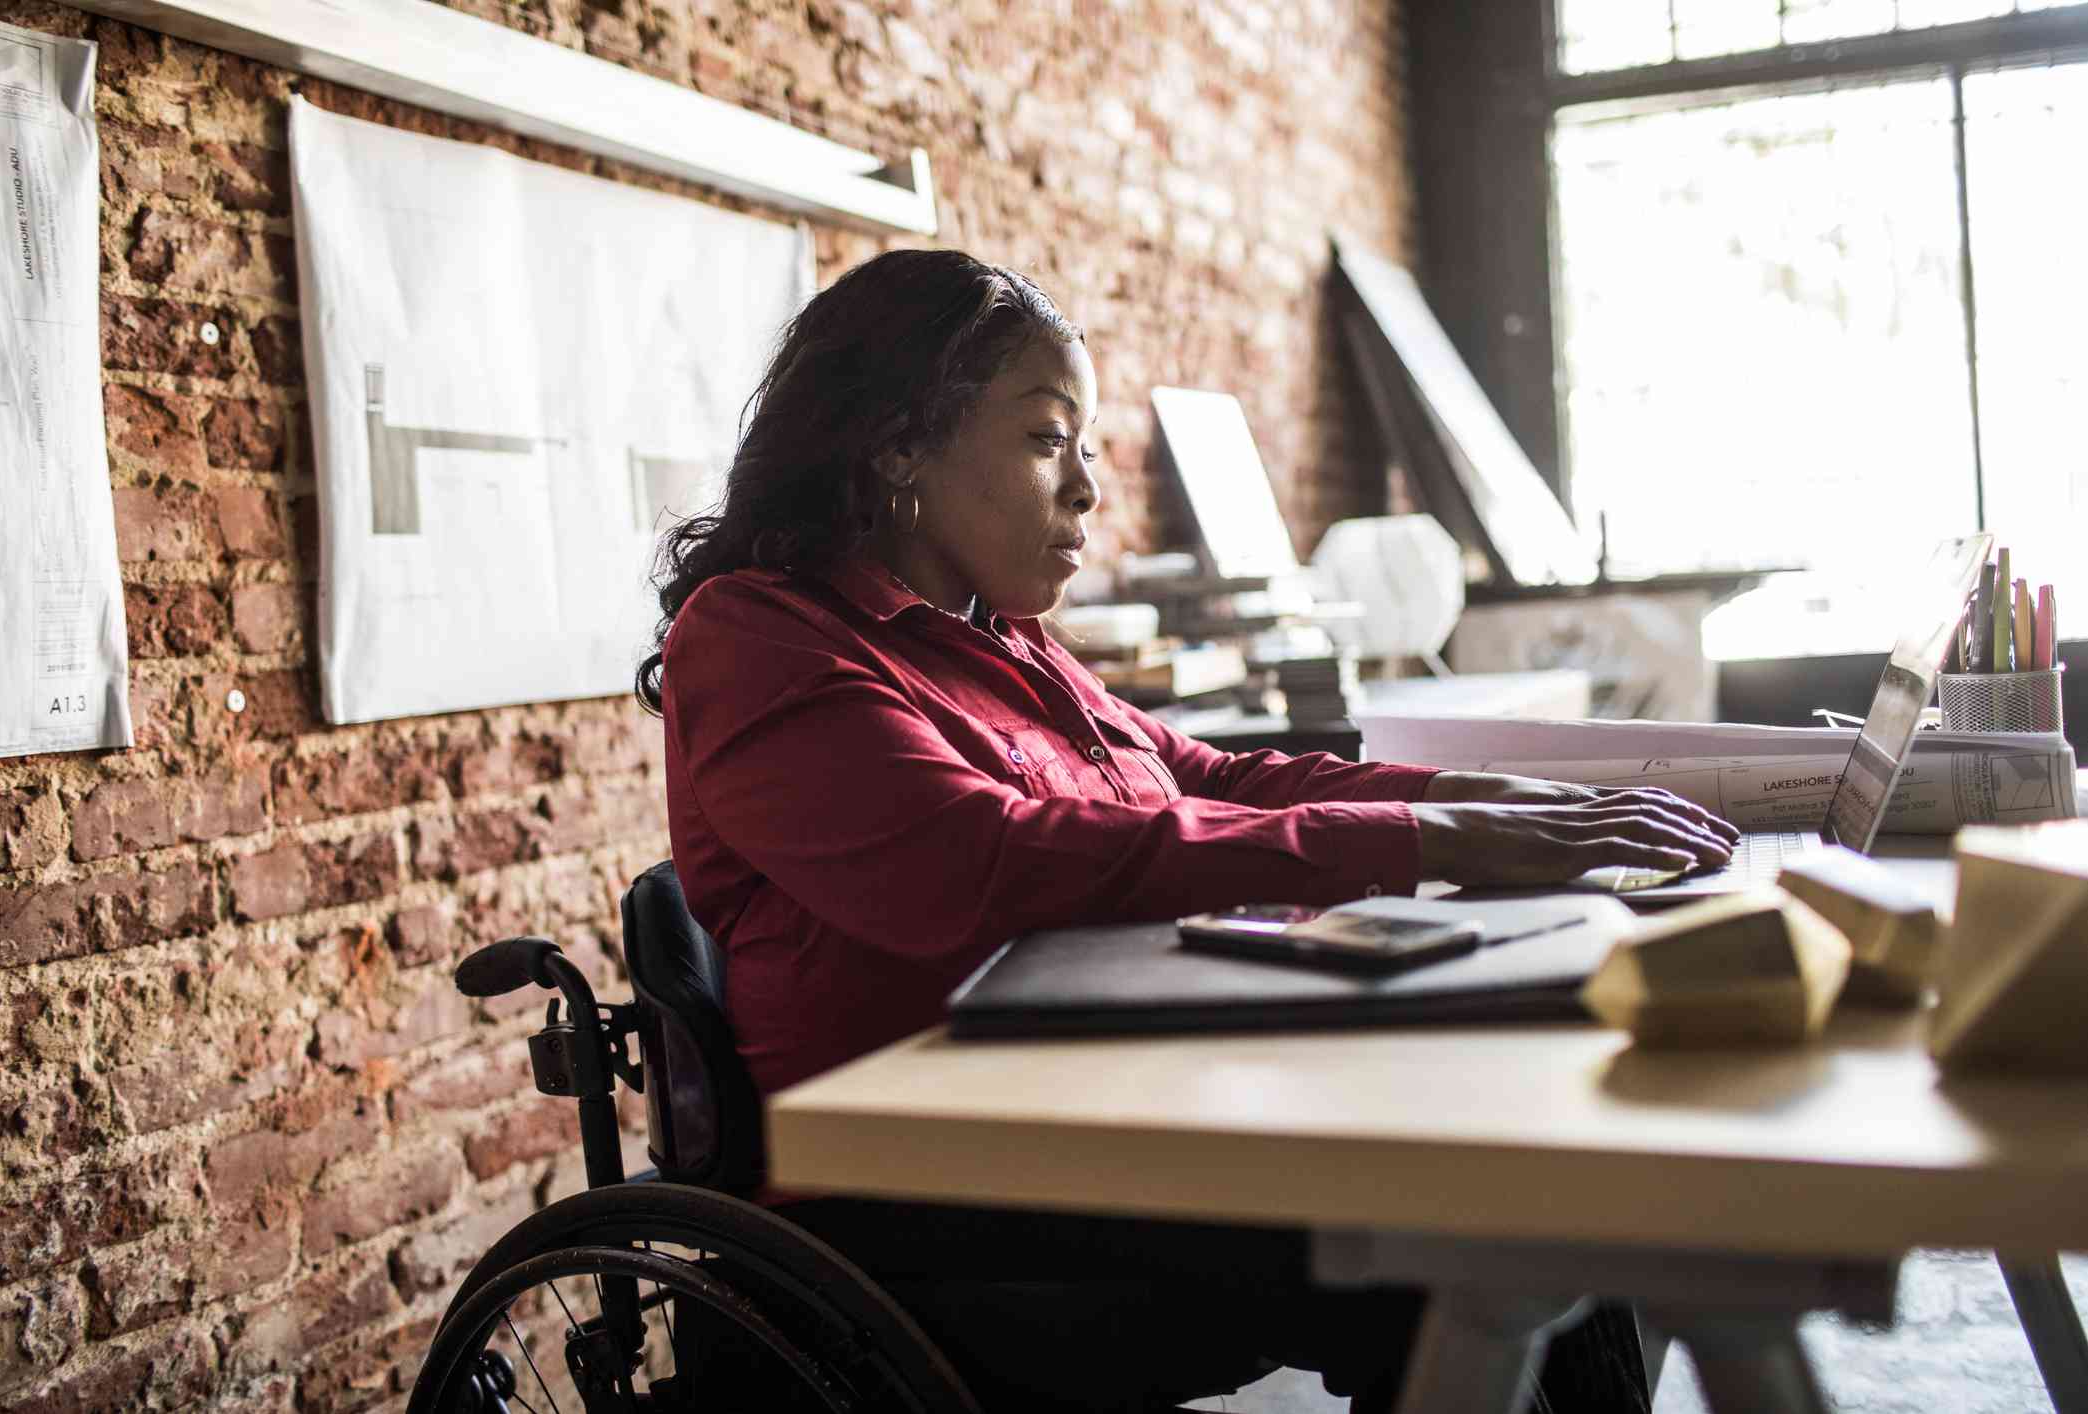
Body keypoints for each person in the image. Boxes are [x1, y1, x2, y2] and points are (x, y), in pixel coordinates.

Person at [638, 249, 1737, 1412]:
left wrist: (1454, 802)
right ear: (899, 442)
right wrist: (1423, 844)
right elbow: (983, 860)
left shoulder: (1000, 636)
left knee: (1534, 1175)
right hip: (927, 1204)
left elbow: (1197, 774)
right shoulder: (759, 637)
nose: (1087, 491)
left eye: (1087, 445)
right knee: (1474, 1239)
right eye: (1045, 438)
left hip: (1098, 1108)